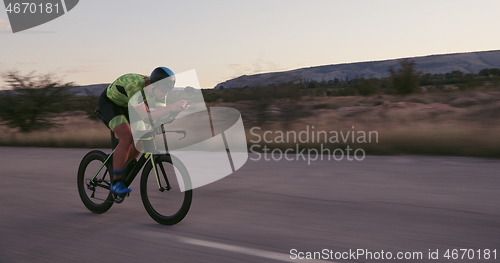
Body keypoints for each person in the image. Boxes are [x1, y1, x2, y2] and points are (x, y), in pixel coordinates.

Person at [98, 67, 188, 196]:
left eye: (169, 91)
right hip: (111, 104)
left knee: (143, 137)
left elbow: (159, 115)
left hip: (130, 106)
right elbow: (147, 116)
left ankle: (123, 167)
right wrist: (169, 108)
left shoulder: (160, 91)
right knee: (127, 137)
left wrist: (175, 111)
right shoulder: (134, 86)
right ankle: (116, 182)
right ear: (153, 84)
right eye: (164, 90)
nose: (166, 94)